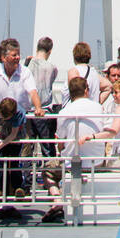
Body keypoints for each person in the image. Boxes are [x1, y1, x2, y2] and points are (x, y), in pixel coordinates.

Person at [43, 76, 106, 220]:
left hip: (71, 164)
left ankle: (57, 201)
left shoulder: (64, 112)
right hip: (96, 161)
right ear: (86, 90)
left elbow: (60, 143)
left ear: (70, 93)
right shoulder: (98, 107)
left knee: (47, 171)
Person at [26, 36, 57, 154]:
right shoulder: (52, 67)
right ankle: (49, 170)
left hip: (29, 110)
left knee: (28, 147)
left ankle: (26, 171)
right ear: (50, 51)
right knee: (48, 146)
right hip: (45, 111)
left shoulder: (27, 66)